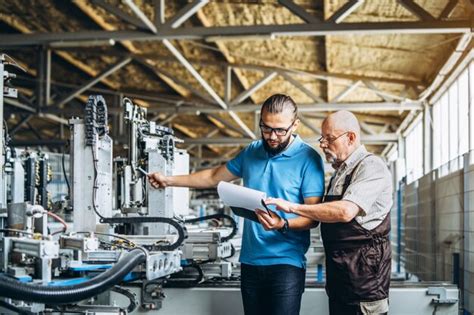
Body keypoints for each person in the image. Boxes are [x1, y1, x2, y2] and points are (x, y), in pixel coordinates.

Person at [148, 94, 325, 315]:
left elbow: (313, 217)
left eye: (280, 130)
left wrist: (283, 224)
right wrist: (169, 180)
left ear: (295, 124)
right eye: (266, 128)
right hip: (251, 261)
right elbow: (213, 176)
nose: (272, 136)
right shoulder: (252, 151)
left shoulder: (308, 159)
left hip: (286, 263)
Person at [264, 110, 392, 315]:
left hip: (365, 287)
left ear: (351, 138)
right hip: (340, 283)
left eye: (329, 138)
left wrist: (293, 207)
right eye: (322, 138)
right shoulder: (340, 173)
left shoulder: (371, 166)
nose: (322, 144)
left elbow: (345, 211)